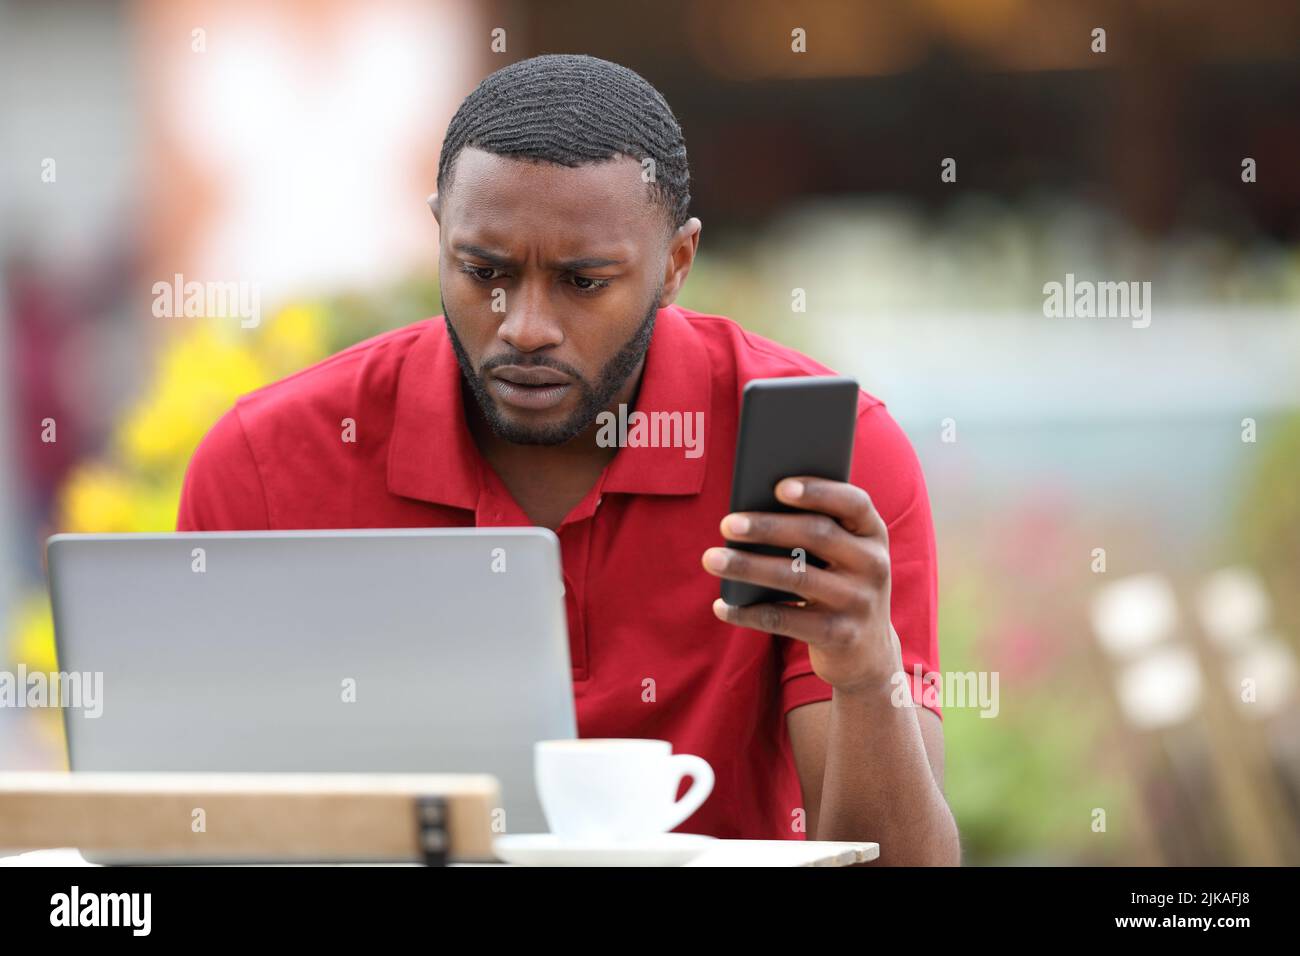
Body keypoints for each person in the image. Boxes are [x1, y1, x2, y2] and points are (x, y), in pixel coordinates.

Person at [178, 53, 960, 864]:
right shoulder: (266, 463)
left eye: (583, 282)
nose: (524, 326)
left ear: (677, 264)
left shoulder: (828, 461)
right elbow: (195, 836)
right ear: (438, 233)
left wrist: (867, 675)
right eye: (484, 271)